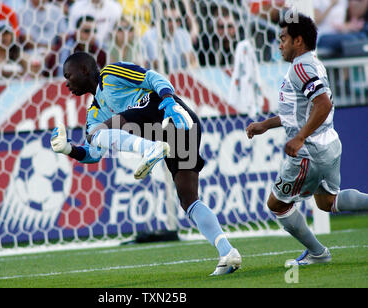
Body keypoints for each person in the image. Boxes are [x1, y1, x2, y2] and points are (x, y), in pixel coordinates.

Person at [50, 51, 242, 276]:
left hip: (171, 115)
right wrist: (67, 149)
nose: (66, 83)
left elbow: (154, 78)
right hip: (172, 135)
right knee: (188, 199)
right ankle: (227, 252)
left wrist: (169, 100)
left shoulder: (111, 74)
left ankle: (150, 149)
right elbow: (94, 153)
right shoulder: (94, 111)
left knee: (98, 132)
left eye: (68, 76)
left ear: (84, 70)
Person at [246, 12, 368, 266]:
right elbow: (300, 112)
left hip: (309, 152)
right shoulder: (312, 63)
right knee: (327, 202)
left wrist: (300, 138)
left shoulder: (300, 67)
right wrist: (265, 125)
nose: (279, 44)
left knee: (276, 204)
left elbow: (322, 104)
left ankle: (318, 253)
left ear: (298, 41)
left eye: (283, 38)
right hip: (330, 144)